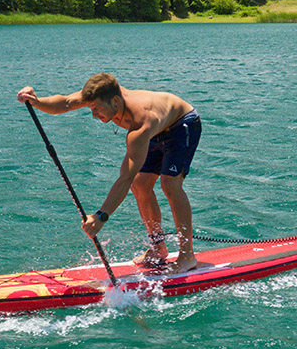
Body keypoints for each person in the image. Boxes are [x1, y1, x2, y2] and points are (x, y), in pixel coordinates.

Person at [17, 72, 202, 274]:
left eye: (97, 109)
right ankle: (158, 248)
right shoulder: (102, 93)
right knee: (140, 185)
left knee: (170, 184)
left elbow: (125, 177)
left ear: (115, 101)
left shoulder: (140, 123)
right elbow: (66, 102)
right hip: (156, 131)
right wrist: (35, 101)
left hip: (181, 124)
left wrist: (101, 216)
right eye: (91, 108)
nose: (93, 114)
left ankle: (187, 255)